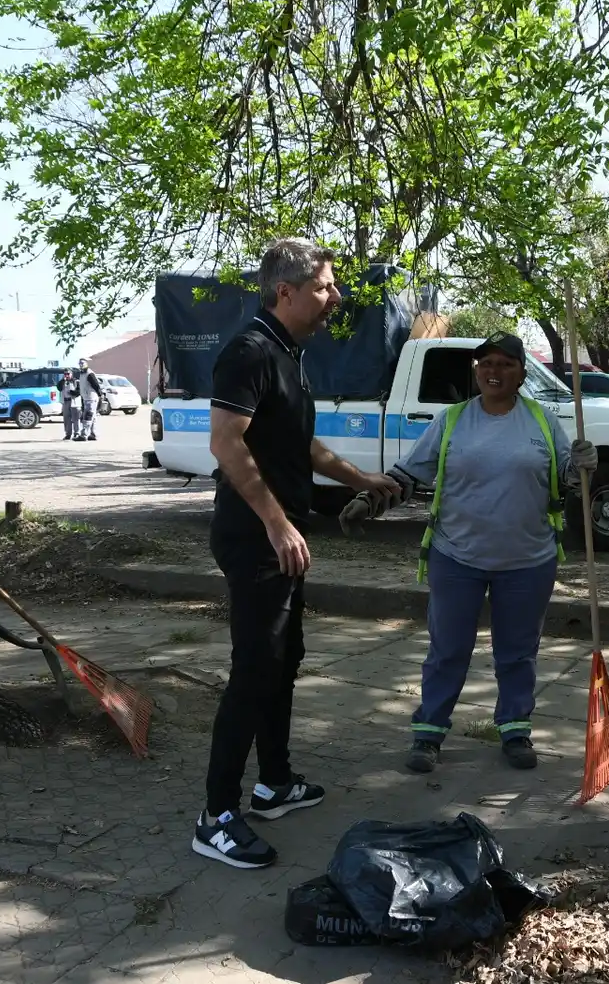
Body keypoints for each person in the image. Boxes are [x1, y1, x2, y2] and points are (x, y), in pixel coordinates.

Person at [194, 237, 400, 871]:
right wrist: (279, 523)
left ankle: (275, 782)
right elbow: (226, 444)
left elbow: (301, 445)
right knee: (255, 668)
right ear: (286, 291)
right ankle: (216, 816)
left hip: (282, 537)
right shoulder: (249, 350)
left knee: (285, 659)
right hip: (255, 536)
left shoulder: (290, 354)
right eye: (324, 287)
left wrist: (363, 481)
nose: (334, 297)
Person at [340, 332, 597, 773]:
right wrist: (369, 499)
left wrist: (584, 466)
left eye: (505, 364)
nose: (494, 372)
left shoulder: (542, 421)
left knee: (517, 653)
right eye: (486, 364)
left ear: (521, 373)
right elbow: (409, 473)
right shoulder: (452, 420)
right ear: (476, 371)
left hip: (528, 560)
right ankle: (429, 733)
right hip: (456, 556)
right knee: (447, 649)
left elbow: (573, 481)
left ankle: (515, 729)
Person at [74, 359, 103, 441]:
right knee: (92, 417)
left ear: (86, 364)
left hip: (91, 398)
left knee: (88, 416)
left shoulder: (89, 374)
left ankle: (84, 435)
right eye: (79, 363)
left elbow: (96, 385)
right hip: (86, 398)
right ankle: (93, 434)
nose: (81, 365)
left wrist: (100, 394)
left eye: (82, 363)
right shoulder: (82, 374)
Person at [60, 369, 82, 440]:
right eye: (65, 374)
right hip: (66, 402)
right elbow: (58, 387)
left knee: (76, 419)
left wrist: (72, 392)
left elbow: (79, 391)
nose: (67, 375)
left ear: (71, 374)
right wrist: (63, 380)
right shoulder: (63, 382)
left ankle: (77, 433)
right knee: (67, 419)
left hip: (74, 402)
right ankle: (68, 434)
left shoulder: (76, 381)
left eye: (68, 374)